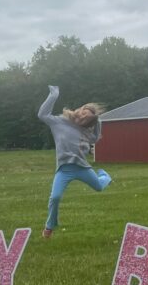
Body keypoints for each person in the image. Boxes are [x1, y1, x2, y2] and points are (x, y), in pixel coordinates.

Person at [38, 85, 111, 238]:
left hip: (82, 168)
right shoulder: (59, 122)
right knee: (55, 197)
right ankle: (49, 226)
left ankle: (105, 177)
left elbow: (96, 137)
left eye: (86, 118)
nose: (82, 118)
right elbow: (42, 114)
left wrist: (97, 120)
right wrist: (53, 95)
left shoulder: (87, 132)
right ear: (79, 110)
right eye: (82, 113)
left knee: (99, 187)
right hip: (64, 169)